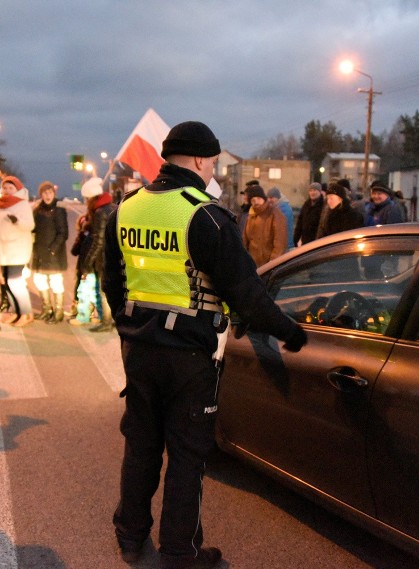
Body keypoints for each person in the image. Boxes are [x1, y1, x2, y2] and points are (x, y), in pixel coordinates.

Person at [103, 121, 307, 569]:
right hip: (190, 358)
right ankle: (180, 553)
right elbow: (248, 296)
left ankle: (130, 538)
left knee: (140, 448)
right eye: (213, 161)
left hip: (138, 351)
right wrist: (291, 332)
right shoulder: (207, 215)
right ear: (200, 160)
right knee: (186, 456)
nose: (213, 168)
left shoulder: (125, 209)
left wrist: (132, 329)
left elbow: (112, 285)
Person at [0, 175, 36, 326]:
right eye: (5, 188)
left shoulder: (22, 204)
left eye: (11, 188)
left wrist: (17, 221)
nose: (8, 191)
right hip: (4, 249)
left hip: (17, 249)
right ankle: (16, 312)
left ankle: (26, 313)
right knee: (6, 282)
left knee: (15, 282)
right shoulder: (0, 203)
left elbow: (29, 225)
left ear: (17, 189)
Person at [79, 177, 116, 332]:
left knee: (104, 291)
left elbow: (98, 242)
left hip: (105, 258)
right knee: (114, 290)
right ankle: (112, 320)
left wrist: (87, 264)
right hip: (116, 256)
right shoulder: (113, 207)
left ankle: (107, 322)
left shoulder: (100, 212)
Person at [31, 181, 68, 323]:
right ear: (41, 195)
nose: (48, 195)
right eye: (45, 193)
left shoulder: (59, 211)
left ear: (54, 194)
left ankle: (59, 312)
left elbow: (63, 233)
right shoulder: (37, 210)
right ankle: (46, 309)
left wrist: (53, 249)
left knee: (56, 282)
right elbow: (32, 229)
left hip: (54, 254)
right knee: (39, 281)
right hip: (39, 252)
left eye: (50, 192)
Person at [242, 184, 287, 267]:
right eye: (253, 200)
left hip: (269, 266)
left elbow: (280, 243)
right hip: (253, 266)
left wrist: (272, 263)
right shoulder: (251, 216)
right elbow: (245, 241)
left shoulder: (274, 214)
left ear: (263, 198)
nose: (256, 202)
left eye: (258, 199)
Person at [293, 182, 324, 246]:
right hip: (305, 241)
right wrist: (295, 239)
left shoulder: (323, 206)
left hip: (317, 243)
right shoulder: (306, 205)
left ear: (320, 192)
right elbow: (300, 223)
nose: (312, 193)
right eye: (310, 190)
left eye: (315, 190)